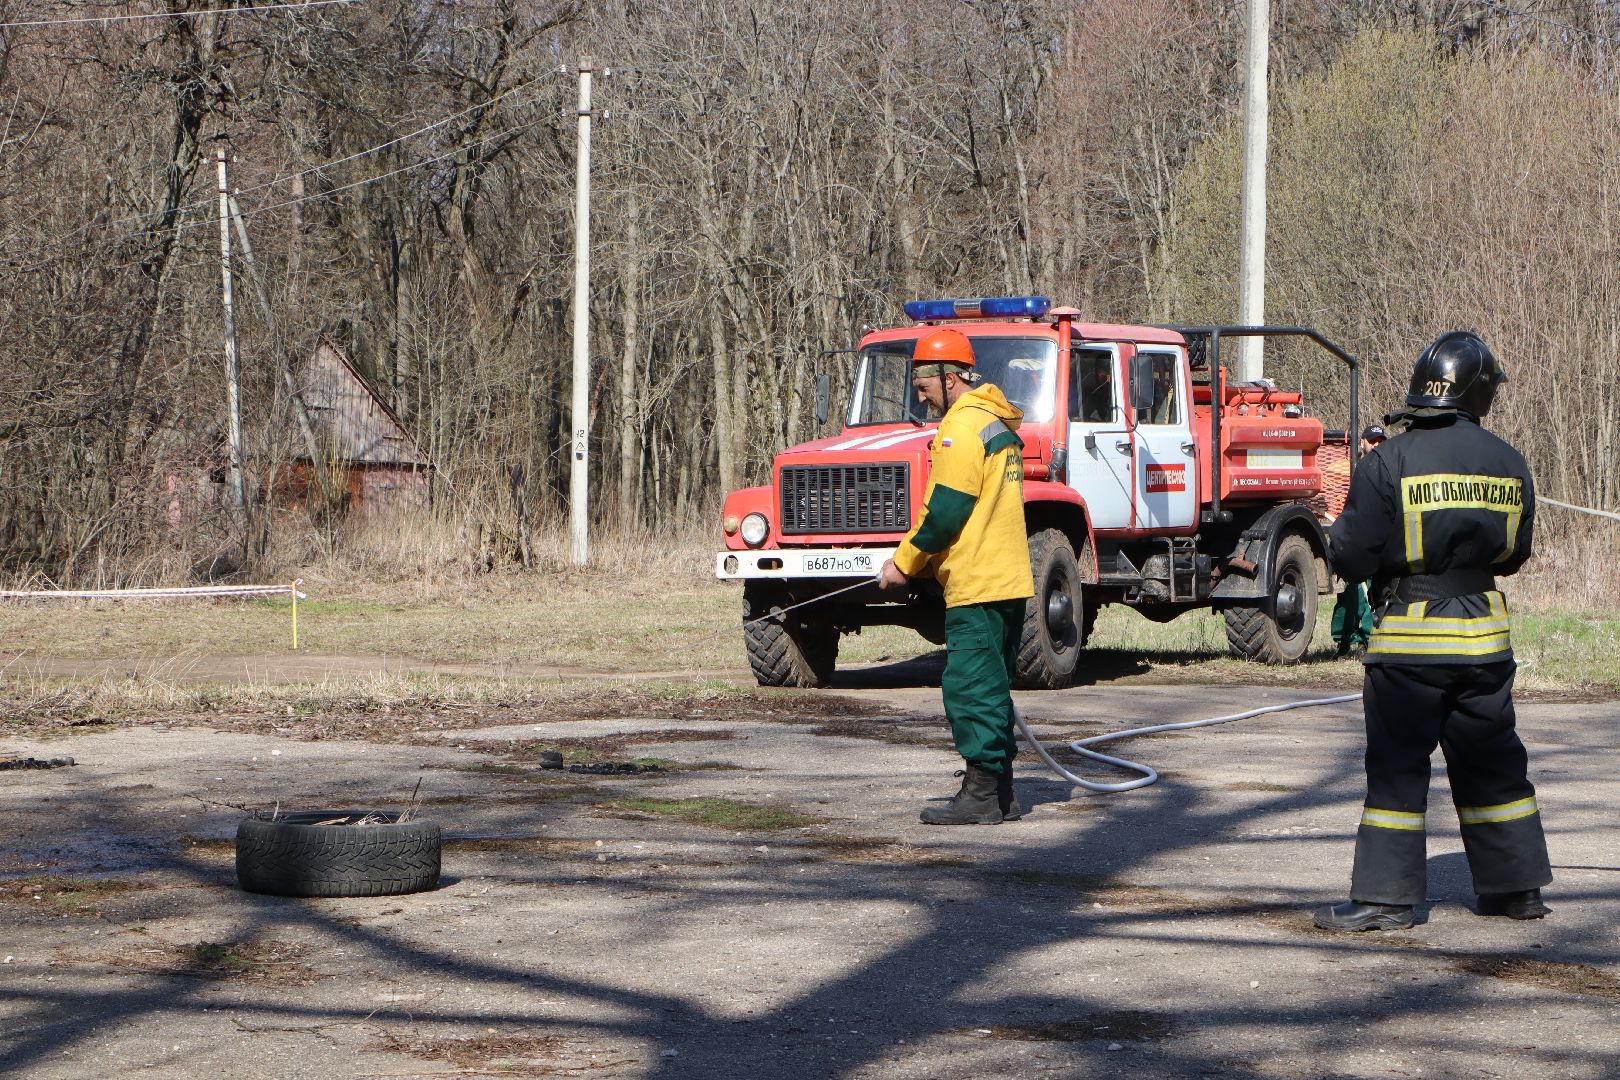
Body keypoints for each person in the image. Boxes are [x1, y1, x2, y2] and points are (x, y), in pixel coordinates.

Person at [1316, 331, 1550, 931]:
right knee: (1494, 762)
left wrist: (1339, 541)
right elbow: (1514, 555)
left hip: (1410, 643)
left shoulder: (1387, 460)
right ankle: (1516, 889)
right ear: (1478, 393)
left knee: (1398, 768)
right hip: (1484, 638)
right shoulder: (1509, 461)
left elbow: (1353, 557)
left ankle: (1386, 899)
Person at [878, 327, 1035, 824]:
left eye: (925, 387)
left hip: (977, 579)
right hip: (1007, 577)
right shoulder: (993, 421)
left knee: (969, 687)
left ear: (950, 379)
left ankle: (981, 796)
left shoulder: (961, 428)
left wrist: (904, 563)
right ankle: (1001, 792)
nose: (922, 399)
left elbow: (946, 508)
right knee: (992, 685)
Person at [1330, 425, 1388, 658]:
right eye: (1372, 440)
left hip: (1376, 537)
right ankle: (1344, 640)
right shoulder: (1346, 470)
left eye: (1381, 441)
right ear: (1362, 442)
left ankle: (1367, 640)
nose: (1377, 445)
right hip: (1352, 536)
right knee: (1352, 591)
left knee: (1372, 589)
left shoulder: (1386, 469)